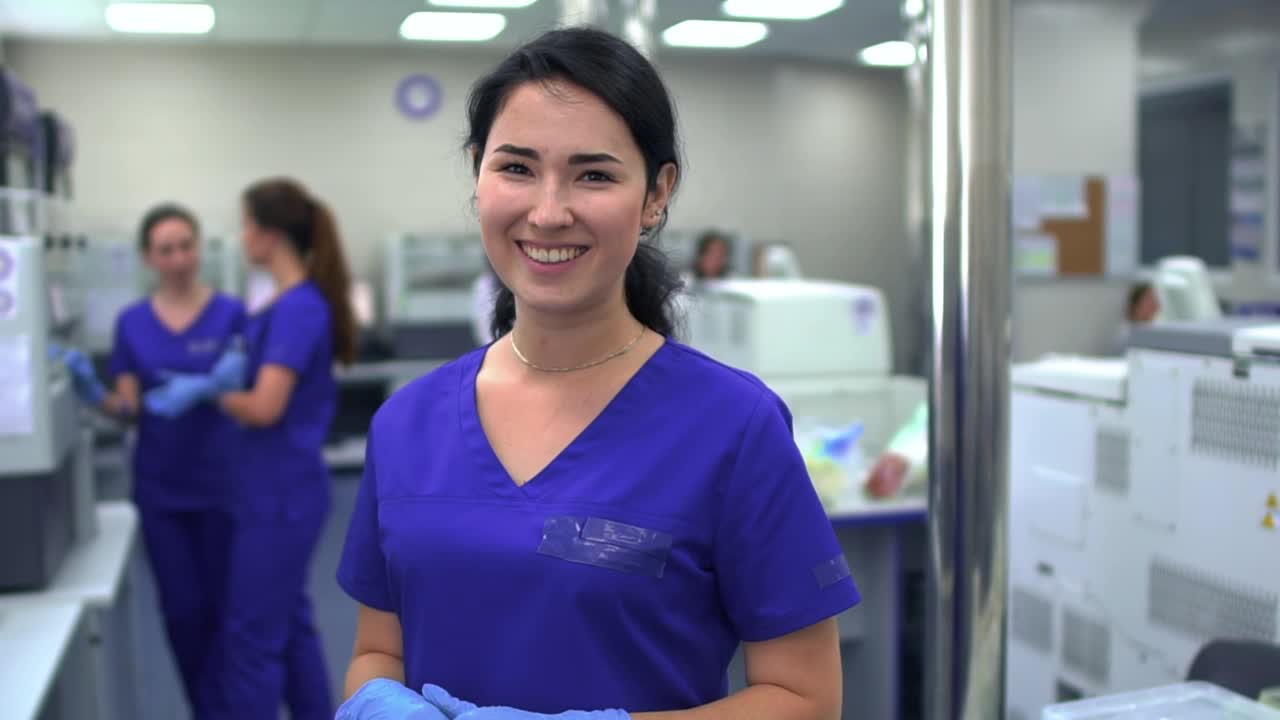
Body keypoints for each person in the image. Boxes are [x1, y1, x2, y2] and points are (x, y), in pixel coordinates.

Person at [335, 27, 858, 720]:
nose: (548, 212)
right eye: (516, 168)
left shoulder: (732, 427)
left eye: (595, 175)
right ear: (477, 172)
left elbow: (805, 699)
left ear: (655, 194)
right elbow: (379, 653)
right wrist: (374, 702)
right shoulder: (408, 422)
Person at [148, 179, 356, 717]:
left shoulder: (297, 308)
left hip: (280, 496)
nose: (240, 237)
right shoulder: (283, 305)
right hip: (272, 489)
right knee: (288, 628)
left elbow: (266, 406)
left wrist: (214, 391)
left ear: (267, 235)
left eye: (244, 225)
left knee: (250, 641)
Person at [105, 203, 246, 715]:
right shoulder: (132, 323)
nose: (179, 257)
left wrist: (218, 384)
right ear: (149, 258)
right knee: (183, 614)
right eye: (166, 249)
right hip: (162, 492)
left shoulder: (232, 313)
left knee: (229, 614)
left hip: (224, 485)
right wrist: (92, 397)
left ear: (198, 248)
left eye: (186, 245)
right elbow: (127, 407)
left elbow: (255, 388)